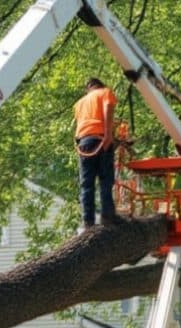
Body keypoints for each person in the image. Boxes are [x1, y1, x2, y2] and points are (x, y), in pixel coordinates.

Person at [73, 77, 118, 230]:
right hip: (100, 140)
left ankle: (88, 222)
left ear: (88, 88)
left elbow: (81, 124)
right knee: (105, 180)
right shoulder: (105, 93)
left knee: (87, 184)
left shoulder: (80, 103)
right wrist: (108, 135)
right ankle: (107, 217)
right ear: (100, 85)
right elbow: (107, 109)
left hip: (84, 142)